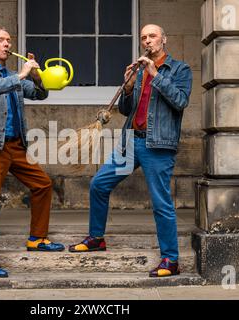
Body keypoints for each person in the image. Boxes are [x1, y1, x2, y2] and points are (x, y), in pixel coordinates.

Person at [69, 24, 193, 278]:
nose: (147, 41)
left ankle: (171, 260)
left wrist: (155, 74)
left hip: (157, 144)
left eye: (153, 36)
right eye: (144, 37)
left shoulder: (180, 69)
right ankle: (96, 238)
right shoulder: (138, 71)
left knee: (161, 203)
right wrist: (127, 88)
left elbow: (180, 101)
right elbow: (127, 110)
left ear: (164, 39)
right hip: (131, 142)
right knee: (99, 184)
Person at [0, 27, 65, 278]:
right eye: (0, 40)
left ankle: (37, 238)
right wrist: (20, 76)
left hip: (15, 145)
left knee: (43, 184)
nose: (6, 43)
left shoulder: (15, 75)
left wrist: (35, 76)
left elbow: (41, 95)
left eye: (9, 40)